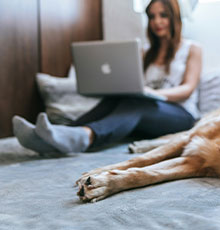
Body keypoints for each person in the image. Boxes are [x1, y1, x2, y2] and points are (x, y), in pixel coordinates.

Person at [12, 0, 202, 155]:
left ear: (174, 17)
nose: (156, 21)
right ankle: (57, 135)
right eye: (152, 16)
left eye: (163, 15)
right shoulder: (145, 52)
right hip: (147, 112)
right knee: (121, 99)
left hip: (181, 115)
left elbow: (188, 89)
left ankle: (85, 136)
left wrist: (154, 93)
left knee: (137, 104)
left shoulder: (192, 48)